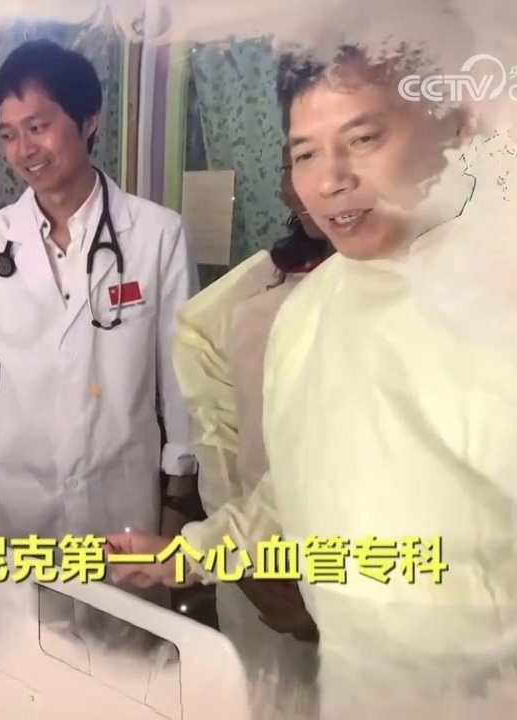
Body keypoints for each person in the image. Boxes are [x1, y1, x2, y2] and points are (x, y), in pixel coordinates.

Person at [107, 41, 517, 719]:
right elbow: (299, 492)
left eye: (363, 139)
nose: (331, 179)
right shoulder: (308, 317)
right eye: (306, 153)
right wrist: (187, 553)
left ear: (456, 124)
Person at [0, 39, 198, 555]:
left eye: (38, 127)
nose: (24, 150)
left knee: (122, 610)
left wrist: (178, 500)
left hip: (121, 504)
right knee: (21, 609)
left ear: (89, 121)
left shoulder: (157, 235)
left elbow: (181, 379)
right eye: (9, 134)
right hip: (15, 503)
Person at [168, 145, 333, 718]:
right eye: (298, 159)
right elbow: (219, 440)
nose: (314, 182)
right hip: (260, 578)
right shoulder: (250, 297)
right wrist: (242, 564)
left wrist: (333, 612)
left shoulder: (429, 294)